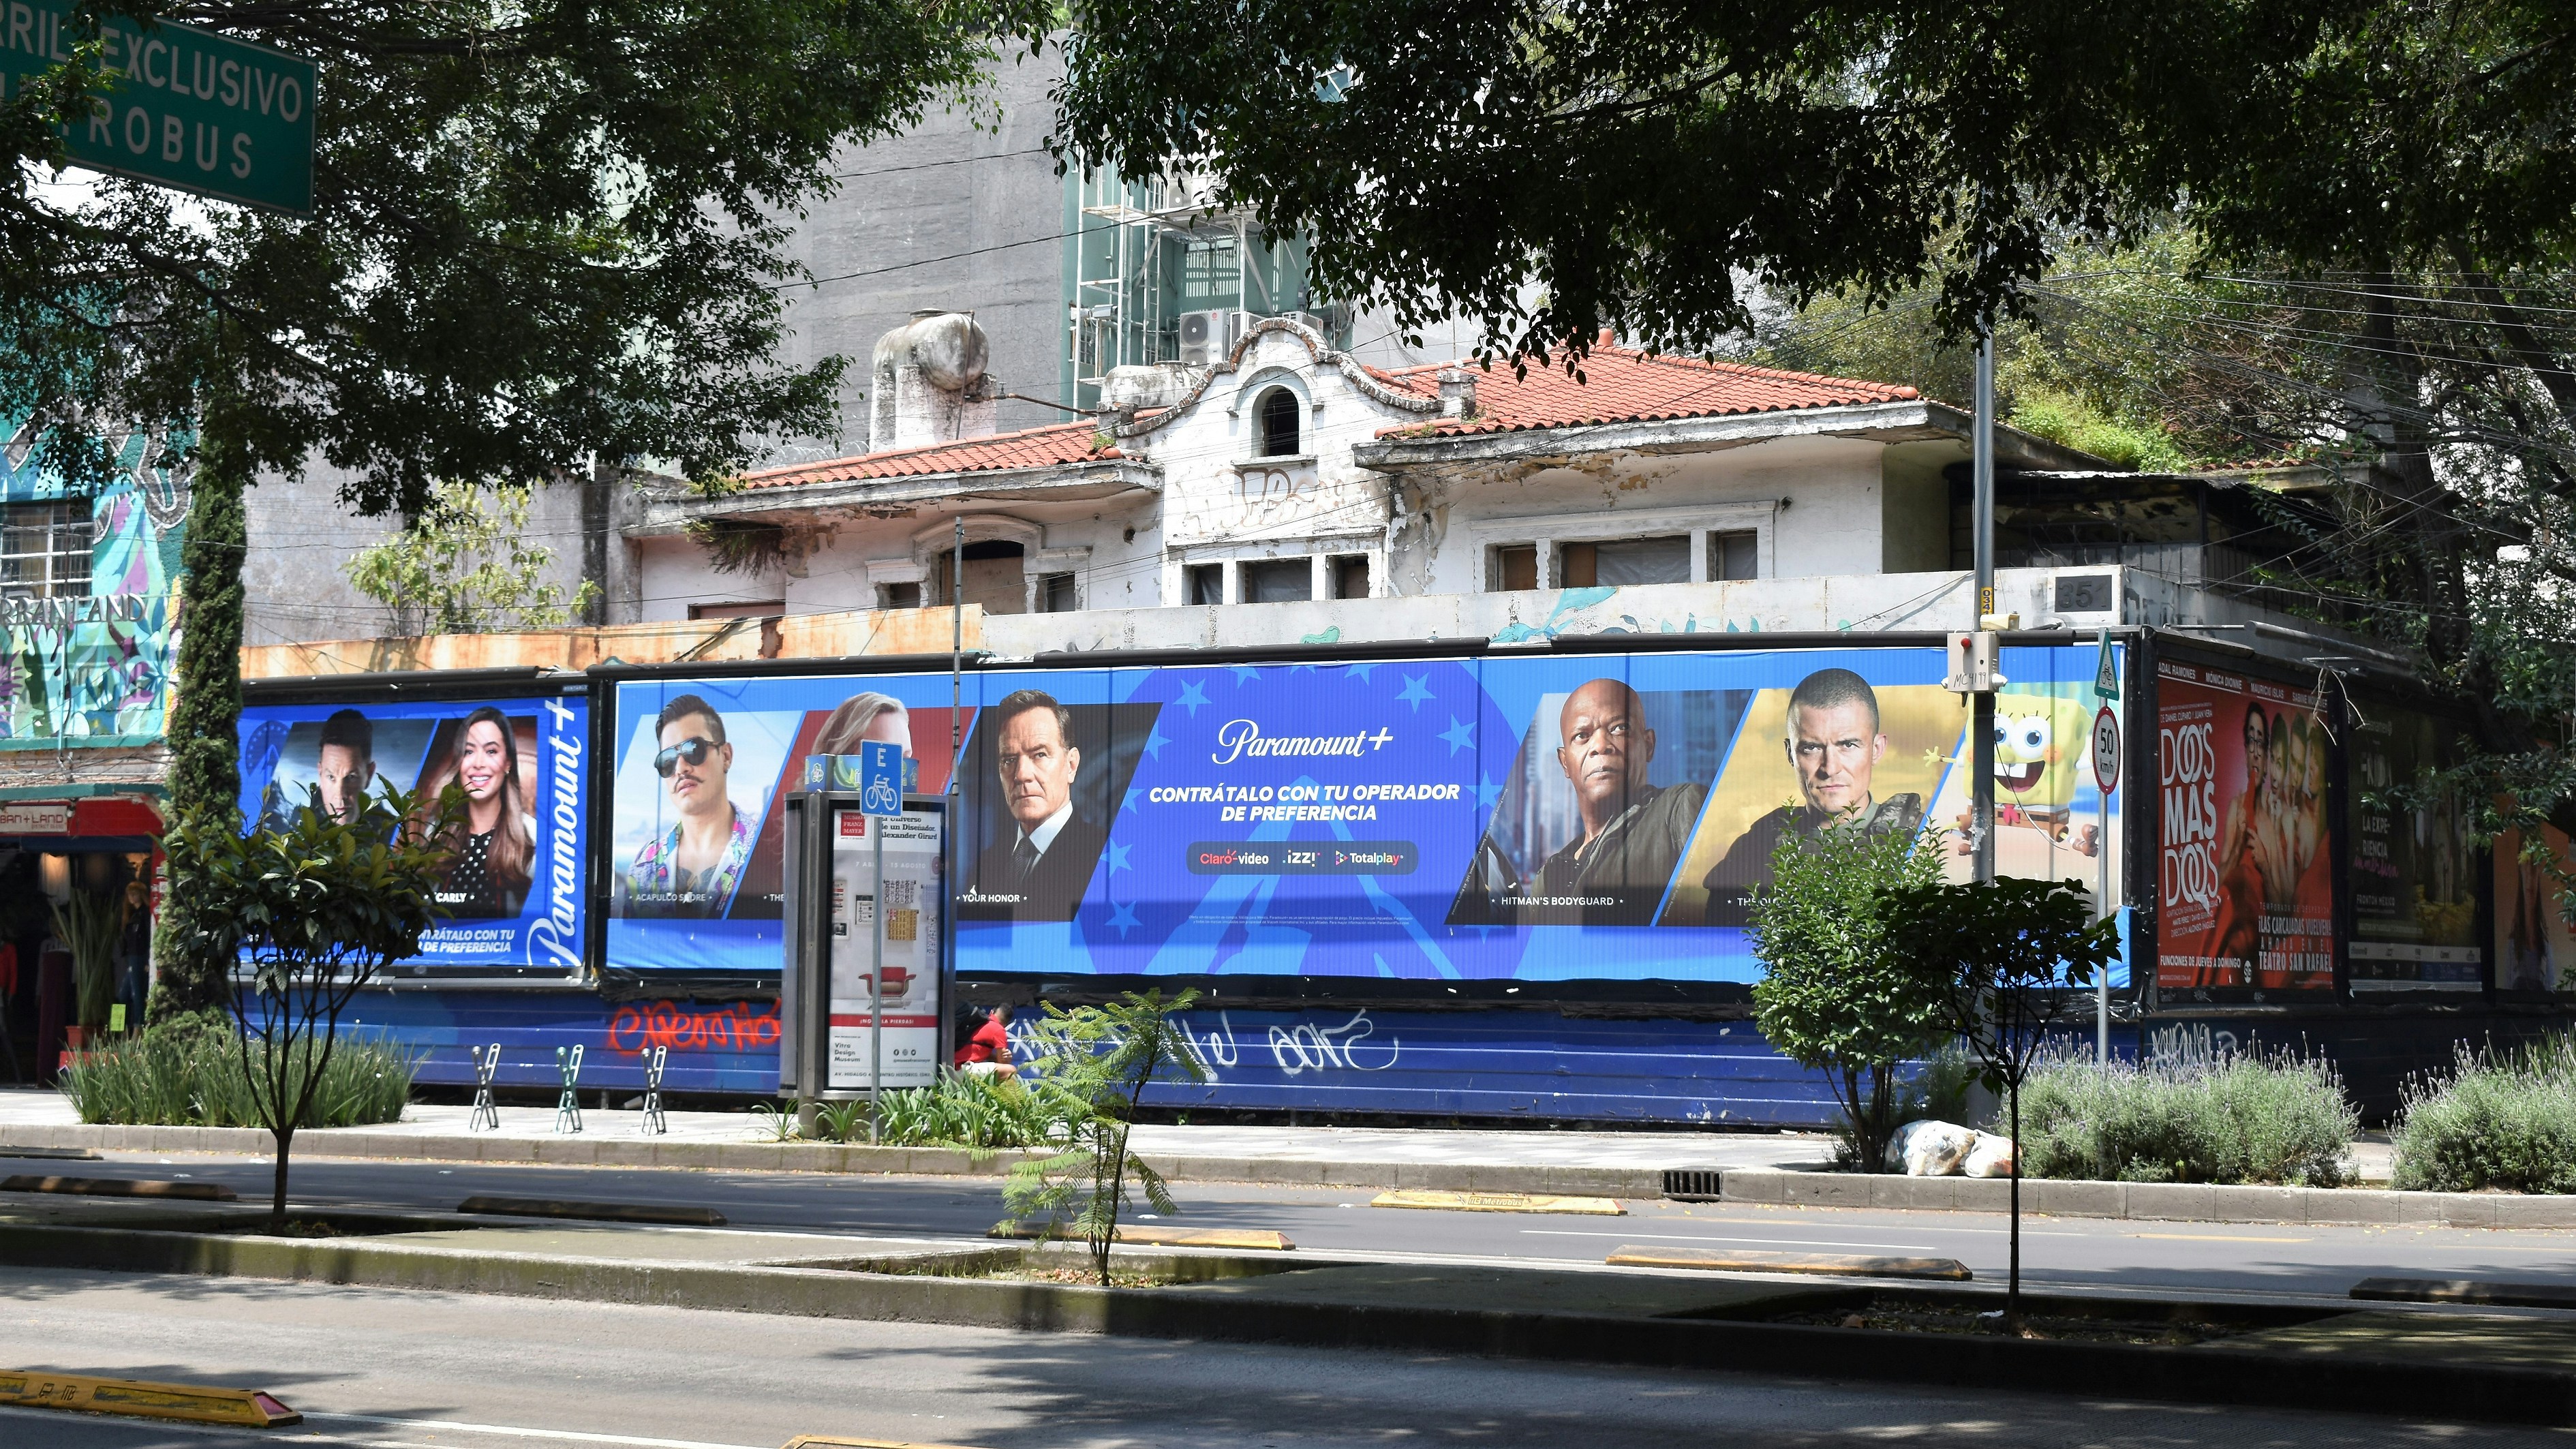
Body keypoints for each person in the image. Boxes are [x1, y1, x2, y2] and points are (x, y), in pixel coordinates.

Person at [1702, 668, 1924, 925]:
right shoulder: (1756, 845)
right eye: (1811, 748)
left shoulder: (1919, 838)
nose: (1830, 768)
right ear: (1790, 754)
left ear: (1876, 749)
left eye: (1848, 745)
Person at [1529, 679, 1706, 925]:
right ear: (1564, 762)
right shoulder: (1551, 872)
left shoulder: (1680, 807)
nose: (1600, 746)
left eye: (1619, 728)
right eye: (1582, 735)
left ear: (1648, 745)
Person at [966, 690, 1107, 921]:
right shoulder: (985, 865)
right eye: (1009, 760)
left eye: (1039, 755)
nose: (1021, 775)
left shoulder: (1104, 855)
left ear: (1071, 765)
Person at [623, 694, 752, 917]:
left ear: (726, 756)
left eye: (694, 750)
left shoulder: (768, 851)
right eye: (667, 761)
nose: (681, 768)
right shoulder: (644, 865)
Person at [416, 707, 538, 917]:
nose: (479, 764)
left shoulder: (533, 837)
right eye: (469, 751)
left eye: (491, 751)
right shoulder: (437, 833)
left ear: (508, 763)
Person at [313, 709, 376, 823]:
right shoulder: (296, 831)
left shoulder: (395, 830)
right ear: (320, 773)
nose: (340, 795)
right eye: (331, 777)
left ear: (369, 775)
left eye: (351, 777)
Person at [952, 1005, 1015, 1079]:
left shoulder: (980, 1023)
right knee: (1010, 1071)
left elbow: (976, 1050)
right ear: (1007, 1024)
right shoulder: (999, 1030)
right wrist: (1006, 1059)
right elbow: (1002, 1062)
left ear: (991, 1012)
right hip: (962, 1070)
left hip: (951, 1068)